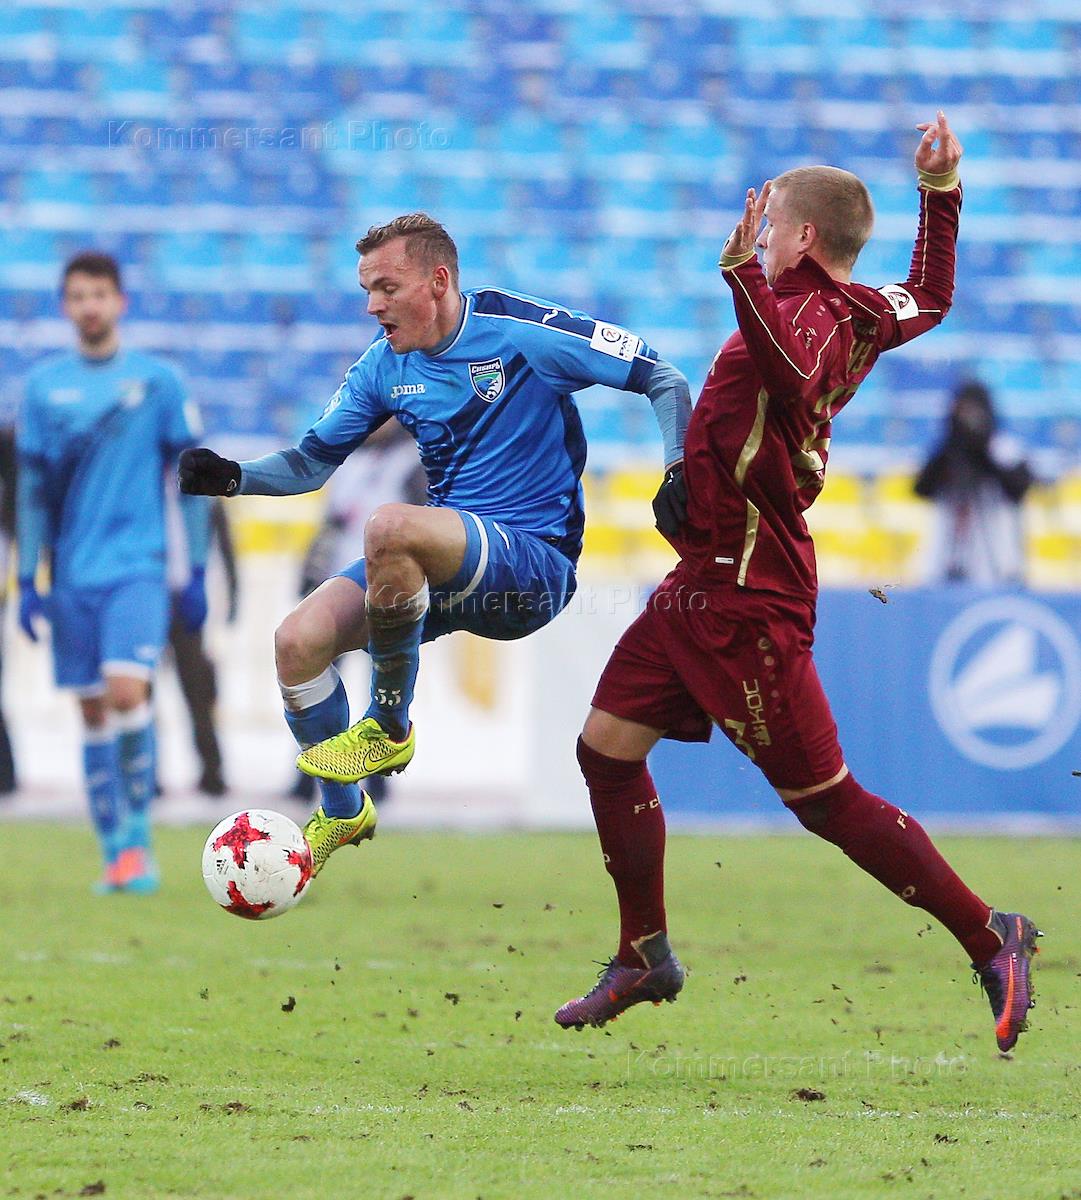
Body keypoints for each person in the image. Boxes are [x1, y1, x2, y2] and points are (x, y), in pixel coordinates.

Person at [553, 112, 1041, 1055]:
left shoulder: (809, 315)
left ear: (803, 235)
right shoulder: (860, 310)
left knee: (824, 800)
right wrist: (938, 193)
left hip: (748, 594)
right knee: (606, 751)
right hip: (702, 577)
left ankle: (991, 935)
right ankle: (643, 953)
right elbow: (929, 295)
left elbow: (791, 375)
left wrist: (740, 277)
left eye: (768, 222)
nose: (758, 233)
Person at [178, 212, 692, 876]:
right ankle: (342, 810)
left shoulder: (519, 331)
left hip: (532, 564)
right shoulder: (383, 365)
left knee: (391, 526)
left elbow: (662, 377)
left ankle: (388, 726)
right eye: (367, 290)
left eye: (387, 288)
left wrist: (678, 467)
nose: (373, 306)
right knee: (297, 642)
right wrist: (234, 477)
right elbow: (310, 464)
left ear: (439, 280)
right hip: (448, 563)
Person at [17, 252, 210, 893]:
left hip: (138, 567)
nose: (89, 306)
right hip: (73, 574)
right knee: (93, 712)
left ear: (120, 301)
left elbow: (192, 478)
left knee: (128, 692)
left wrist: (198, 568)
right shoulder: (43, 389)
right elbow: (32, 493)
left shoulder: (158, 382)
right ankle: (114, 851)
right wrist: (27, 579)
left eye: (99, 294)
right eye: (77, 296)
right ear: (65, 306)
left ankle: (140, 841)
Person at [914, 380, 1033, 584]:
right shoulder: (948, 451)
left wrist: (983, 450)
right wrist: (953, 444)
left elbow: (1019, 489)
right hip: (947, 558)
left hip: (997, 559)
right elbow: (922, 488)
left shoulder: (1005, 448)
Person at [164, 495, 237, 796]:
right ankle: (148, 774)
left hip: (189, 603)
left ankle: (212, 771)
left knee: (199, 690)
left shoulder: (204, 494)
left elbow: (225, 549)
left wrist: (232, 597)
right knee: (140, 691)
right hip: (149, 594)